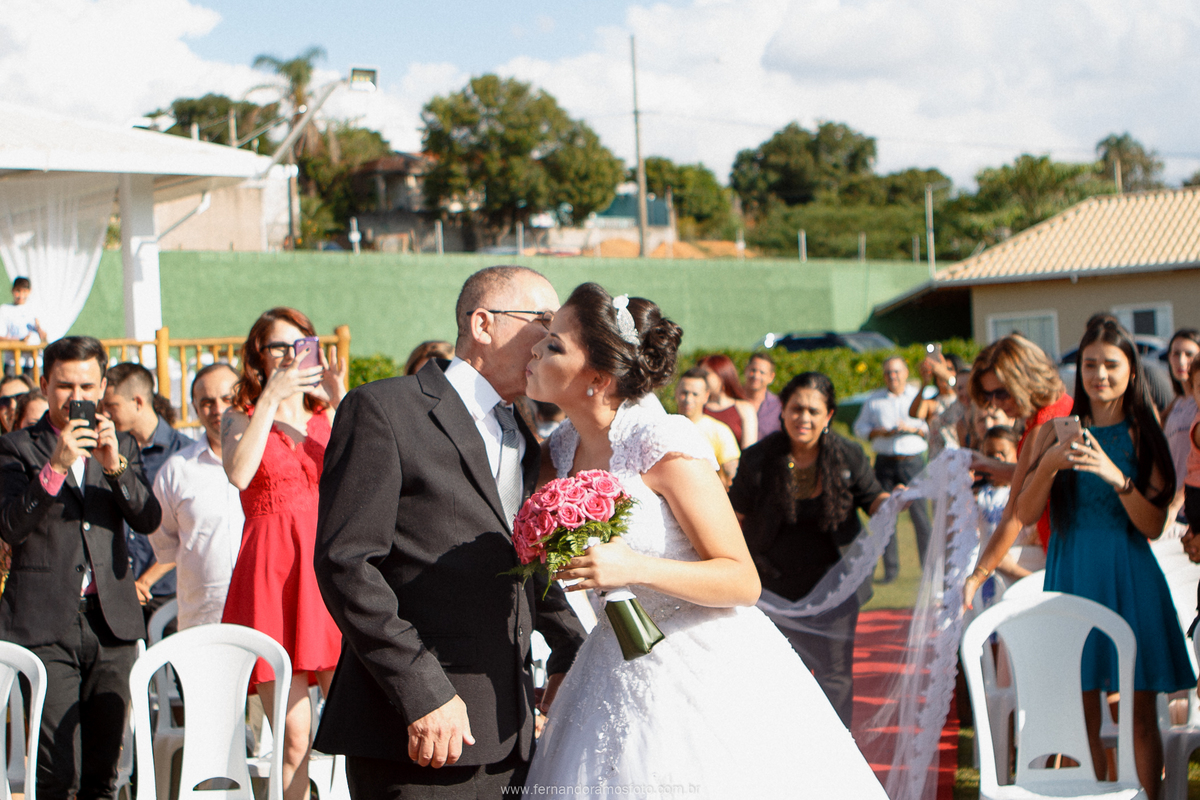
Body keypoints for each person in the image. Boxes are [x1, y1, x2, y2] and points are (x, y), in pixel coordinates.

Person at [523, 282, 887, 798]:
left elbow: (742, 578)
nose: (536, 348)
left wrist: (634, 568)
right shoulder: (558, 450)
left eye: (555, 344)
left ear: (597, 378)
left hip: (699, 660)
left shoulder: (662, 441)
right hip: (609, 660)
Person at [313, 267, 587, 799]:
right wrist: (421, 689)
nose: (553, 341)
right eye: (544, 323)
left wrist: (573, 651)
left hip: (509, 726)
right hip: (416, 730)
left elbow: (520, 562)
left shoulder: (528, 438)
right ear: (483, 324)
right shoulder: (386, 409)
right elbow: (347, 563)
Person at [1002, 319, 1192, 800]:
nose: (1099, 375)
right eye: (1090, 364)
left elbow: (1151, 526)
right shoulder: (1051, 433)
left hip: (1129, 577)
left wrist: (1113, 474)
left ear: (1131, 370)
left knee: (1140, 714)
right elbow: (1025, 512)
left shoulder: (1143, 433)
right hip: (1071, 576)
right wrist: (1048, 462)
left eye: (1111, 364)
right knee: (1080, 710)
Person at [0, 336, 161, 800]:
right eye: (64, 385)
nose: (76, 397)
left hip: (110, 620)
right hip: (44, 621)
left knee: (103, 773)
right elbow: (10, 526)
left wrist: (115, 466)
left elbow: (148, 518)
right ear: (45, 384)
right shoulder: (15, 448)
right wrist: (55, 466)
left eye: (87, 385)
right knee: (56, 773)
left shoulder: (122, 441)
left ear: (102, 384)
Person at [221, 307, 347, 800]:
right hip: (271, 579)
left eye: (302, 343)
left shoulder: (325, 415)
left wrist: (339, 399)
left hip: (327, 576)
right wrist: (271, 399)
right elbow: (239, 474)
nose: (292, 354)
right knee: (293, 737)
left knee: (356, 720)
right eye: (280, 346)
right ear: (259, 356)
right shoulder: (240, 418)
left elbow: (364, 476)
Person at [730, 371, 889, 728]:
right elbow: (732, 515)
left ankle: (839, 758)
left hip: (836, 589)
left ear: (829, 415)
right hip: (772, 588)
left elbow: (873, 497)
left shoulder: (847, 454)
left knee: (834, 677)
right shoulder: (757, 459)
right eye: (796, 409)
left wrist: (895, 501)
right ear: (782, 411)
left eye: (814, 411)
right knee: (783, 677)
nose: (804, 418)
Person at [964, 334, 1074, 606]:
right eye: (988, 395)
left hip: (1067, 547)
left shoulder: (1042, 427)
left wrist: (978, 575)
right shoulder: (1061, 406)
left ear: (1025, 379)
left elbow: (1014, 513)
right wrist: (995, 468)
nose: (996, 402)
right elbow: (1040, 474)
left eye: (1001, 392)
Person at [149, 364, 244, 630]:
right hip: (202, 623)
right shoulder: (177, 470)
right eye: (207, 402)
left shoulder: (271, 461)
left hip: (265, 617)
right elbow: (165, 544)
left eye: (227, 399)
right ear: (194, 406)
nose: (218, 409)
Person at [102, 363, 192, 624]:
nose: (105, 414)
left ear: (138, 402)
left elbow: (189, 529)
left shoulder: (182, 456)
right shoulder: (108, 451)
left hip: (168, 593)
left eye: (112, 405)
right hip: (119, 590)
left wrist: (145, 581)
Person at [853, 355, 931, 581]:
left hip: (913, 460)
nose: (892, 376)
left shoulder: (919, 396)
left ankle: (927, 568)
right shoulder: (875, 399)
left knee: (920, 517)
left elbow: (931, 426)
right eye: (888, 372)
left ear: (905, 373)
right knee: (886, 516)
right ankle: (891, 571)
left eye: (896, 372)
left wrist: (912, 428)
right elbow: (859, 428)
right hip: (886, 462)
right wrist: (879, 432)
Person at [1161, 329, 1200, 534]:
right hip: (1175, 513)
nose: (1181, 361)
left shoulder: (1198, 406)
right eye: (1175, 354)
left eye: (1189, 354)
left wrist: (1176, 504)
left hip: (1190, 508)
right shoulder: (1176, 404)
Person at [675, 366, 740, 486]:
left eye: (695, 394)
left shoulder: (720, 431)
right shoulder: (666, 428)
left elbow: (732, 477)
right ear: (676, 393)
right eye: (684, 393)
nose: (688, 399)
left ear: (706, 396)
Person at [910, 350, 966, 459]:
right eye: (940, 370)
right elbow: (914, 413)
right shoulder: (932, 402)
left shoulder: (963, 399)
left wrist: (946, 375)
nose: (942, 373)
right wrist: (925, 382)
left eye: (950, 369)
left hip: (960, 457)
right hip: (938, 459)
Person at [697, 353, 757, 448]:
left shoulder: (744, 408)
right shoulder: (698, 407)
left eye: (706, 374)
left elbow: (749, 449)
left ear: (721, 374)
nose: (701, 380)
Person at [0, 277, 47, 374]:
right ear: (12, 290)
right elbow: (1, 336)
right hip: (13, 361)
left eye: (24, 291)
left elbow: (45, 337)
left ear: (29, 292)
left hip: (33, 362)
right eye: (18, 291)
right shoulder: (5, 309)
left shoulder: (35, 308)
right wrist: (20, 340)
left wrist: (38, 328)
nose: (21, 295)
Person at [743, 352, 781, 440]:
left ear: (771, 377)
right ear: (746, 370)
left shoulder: (778, 407)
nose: (756, 376)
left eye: (762, 373)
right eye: (753, 370)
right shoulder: (732, 400)